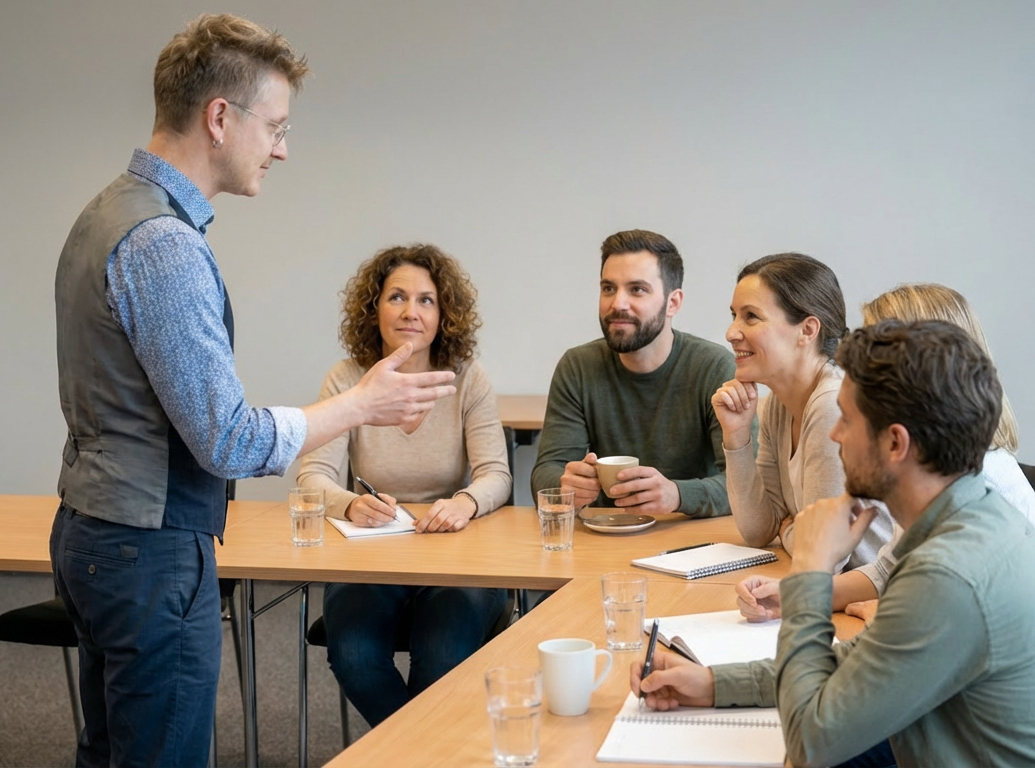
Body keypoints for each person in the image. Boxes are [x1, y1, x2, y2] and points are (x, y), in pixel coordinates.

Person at [50, 16, 455, 766]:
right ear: (218, 118)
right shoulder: (163, 243)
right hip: (149, 547)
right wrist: (359, 405)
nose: (282, 147)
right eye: (273, 125)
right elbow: (227, 440)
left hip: (93, 529)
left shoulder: (106, 212)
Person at [632, 320, 1035, 767]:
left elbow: (812, 744)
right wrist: (714, 683)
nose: (835, 434)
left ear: (896, 444)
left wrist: (813, 572)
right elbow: (861, 663)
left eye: (848, 419)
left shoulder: (949, 573)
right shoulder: (968, 514)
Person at [736, 283, 1035, 624]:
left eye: (880, 345)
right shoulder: (935, 472)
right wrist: (798, 596)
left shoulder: (972, 494)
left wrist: (812, 572)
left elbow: (817, 675)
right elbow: (887, 568)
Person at [298, 244, 512, 726]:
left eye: (426, 300)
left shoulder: (468, 379)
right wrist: (351, 504)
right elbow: (312, 478)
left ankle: (407, 752)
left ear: (444, 314)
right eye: (396, 297)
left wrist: (465, 502)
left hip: (456, 556)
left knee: (440, 658)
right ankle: (423, 751)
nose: (410, 312)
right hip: (374, 556)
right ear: (374, 308)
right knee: (352, 653)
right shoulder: (348, 378)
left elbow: (496, 474)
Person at [530, 229, 737, 518]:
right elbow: (545, 473)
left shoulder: (715, 367)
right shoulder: (577, 366)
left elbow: (746, 487)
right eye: (608, 288)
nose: (618, 304)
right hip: (604, 536)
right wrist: (567, 484)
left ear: (673, 303)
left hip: (690, 537)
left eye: (637, 289)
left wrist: (677, 495)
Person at [711, 253, 895, 565]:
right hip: (834, 593)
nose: (732, 333)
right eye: (734, 316)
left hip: (868, 599)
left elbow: (824, 555)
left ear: (807, 330)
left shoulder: (833, 406)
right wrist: (737, 435)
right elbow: (758, 530)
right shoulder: (778, 406)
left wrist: (789, 533)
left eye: (751, 316)